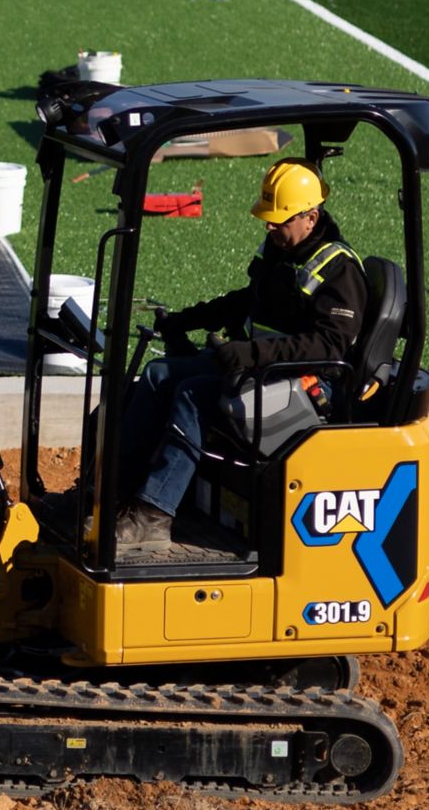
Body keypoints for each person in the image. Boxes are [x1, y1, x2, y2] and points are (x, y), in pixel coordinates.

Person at [115, 157, 367, 553]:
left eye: (278, 220)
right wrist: (187, 319)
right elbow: (247, 300)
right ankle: (118, 490)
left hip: (307, 384)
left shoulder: (339, 271)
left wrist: (250, 355)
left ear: (311, 218)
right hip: (264, 370)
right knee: (158, 374)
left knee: (194, 396)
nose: (269, 227)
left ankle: (152, 515)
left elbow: (328, 346)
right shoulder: (281, 249)